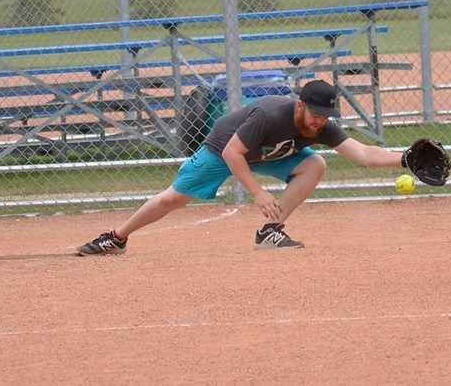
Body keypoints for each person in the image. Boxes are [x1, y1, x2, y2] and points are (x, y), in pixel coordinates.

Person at [77, 79, 409, 255]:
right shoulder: (270, 114)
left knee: (314, 163)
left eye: (325, 115)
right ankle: (117, 237)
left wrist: (406, 159)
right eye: (314, 113)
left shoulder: (320, 126)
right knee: (173, 198)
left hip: (270, 153)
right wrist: (258, 191)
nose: (319, 121)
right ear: (299, 105)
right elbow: (234, 154)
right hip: (225, 148)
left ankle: (270, 232)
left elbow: (363, 153)